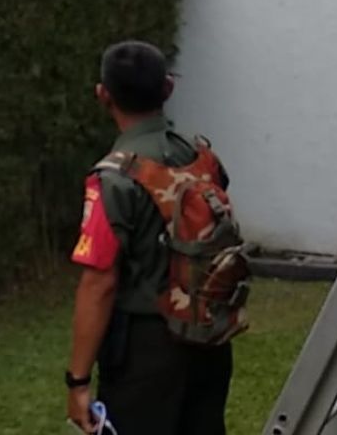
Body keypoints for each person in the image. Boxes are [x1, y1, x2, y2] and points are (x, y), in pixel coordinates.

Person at [65, 41, 234, 435]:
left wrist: (77, 381)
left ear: (102, 94)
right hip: (208, 336)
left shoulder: (114, 178)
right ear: (168, 88)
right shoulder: (203, 157)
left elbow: (98, 283)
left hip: (145, 352)